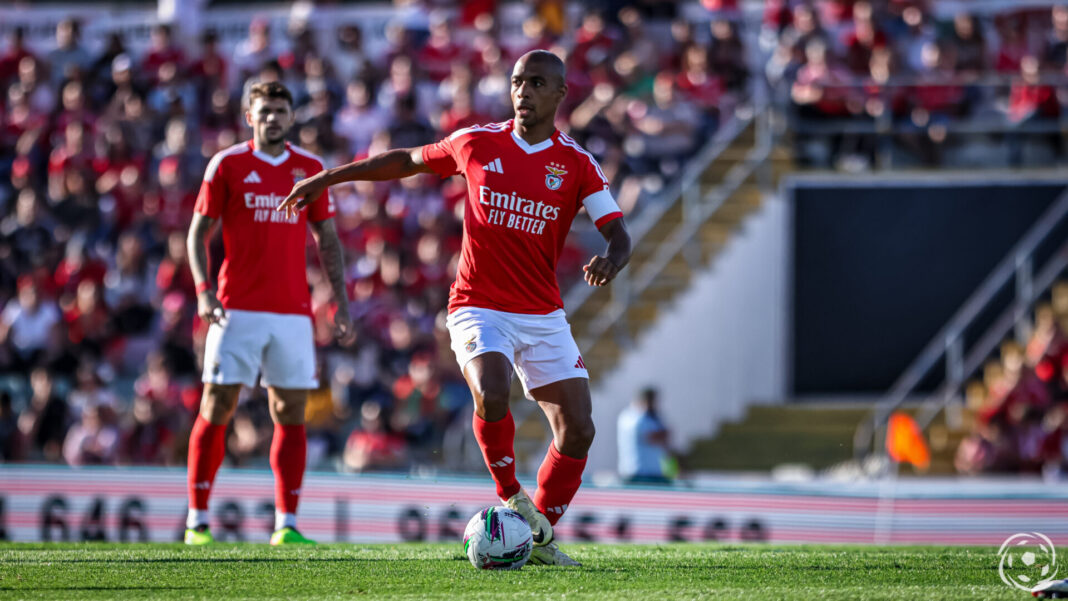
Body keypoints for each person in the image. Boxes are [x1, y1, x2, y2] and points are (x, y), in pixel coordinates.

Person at [281, 50, 632, 566]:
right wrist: (330, 177)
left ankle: (535, 537)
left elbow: (618, 233)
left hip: (541, 313)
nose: (523, 92)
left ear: (560, 93)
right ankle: (512, 496)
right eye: (517, 82)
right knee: (492, 392)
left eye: (536, 83)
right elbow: (406, 160)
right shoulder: (476, 142)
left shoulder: (576, 163)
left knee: (579, 428)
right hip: (477, 305)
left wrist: (612, 260)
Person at [184, 81, 355, 546]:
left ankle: (287, 524)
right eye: (265, 111)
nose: (273, 118)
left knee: (290, 413)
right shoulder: (228, 165)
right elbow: (197, 234)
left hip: (293, 313)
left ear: (292, 116)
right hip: (235, 308)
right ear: (248, 116)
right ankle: (197, 521)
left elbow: (327, 238)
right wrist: (203, 292)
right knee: (217, 407)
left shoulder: (310, 168)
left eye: (281, 110)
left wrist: (339, 298)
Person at [617, 387, 672, 484]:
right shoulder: (638, 417)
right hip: (640, 476)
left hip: (650, 474)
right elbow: (653, 437)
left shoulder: (630, 416)